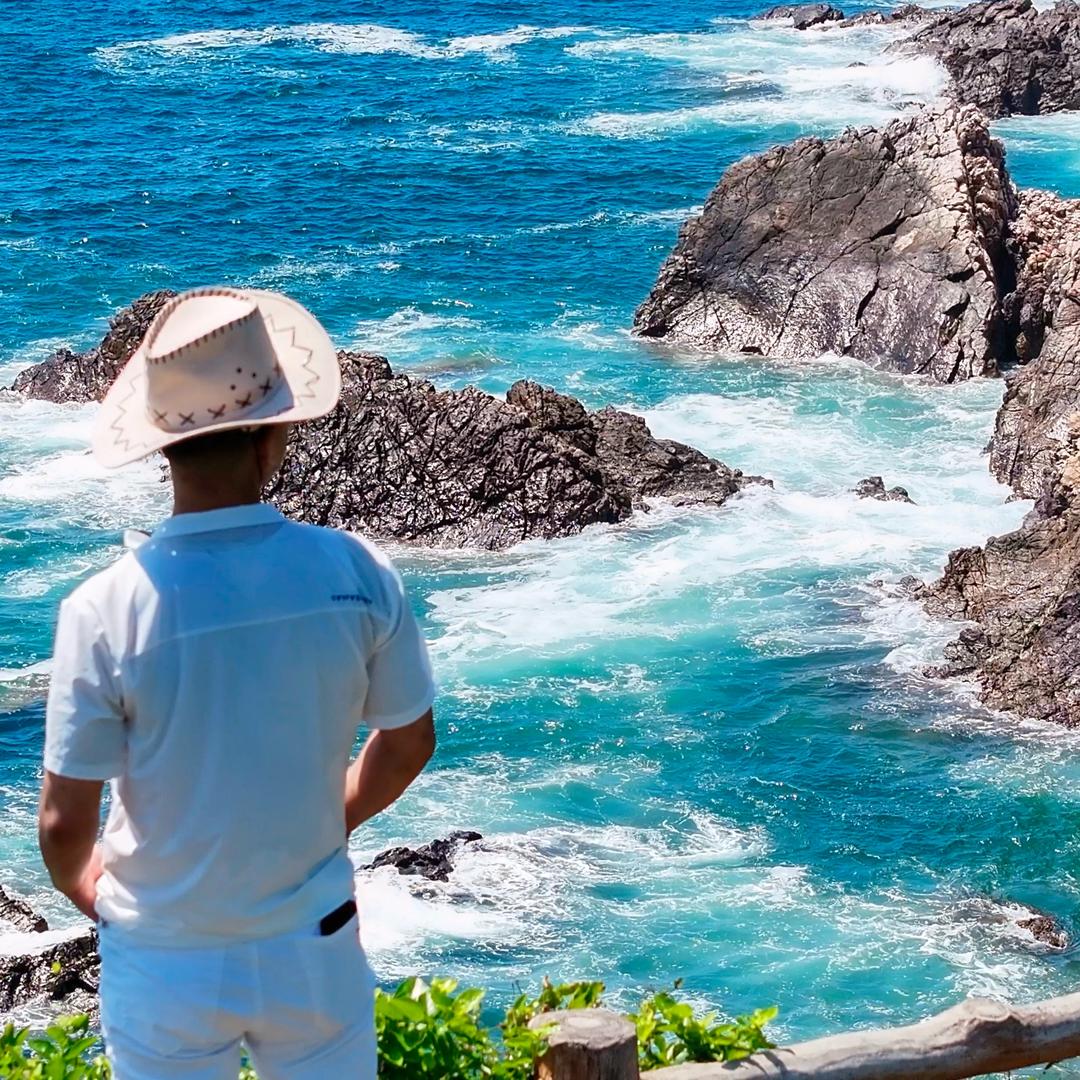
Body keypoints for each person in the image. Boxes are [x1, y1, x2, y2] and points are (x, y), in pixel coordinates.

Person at [37, 287, 436, 1079]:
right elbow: (408, 741)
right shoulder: (355, 572)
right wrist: (332, 818)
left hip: (163, 953)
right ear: (273, 435)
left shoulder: (104, 608)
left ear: (160, 447)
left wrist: (100, 901)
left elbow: (61, 824)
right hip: (311, 940)